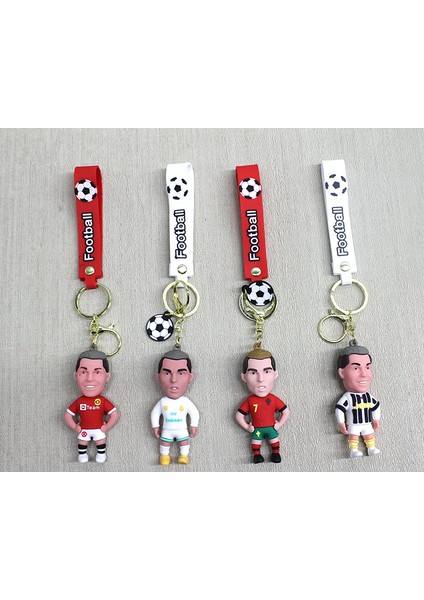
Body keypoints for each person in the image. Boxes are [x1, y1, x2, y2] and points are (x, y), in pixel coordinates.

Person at [236, 348, 289, 463]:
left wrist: (279, 424)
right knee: (256, 441)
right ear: (244, 377)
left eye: (267, 371)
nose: (260, 379)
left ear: (275, 374)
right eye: (253, 373)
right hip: (257, 429)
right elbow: (239, 415)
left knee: (274, 440)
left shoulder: (273, 399)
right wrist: (247, 427)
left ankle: (276, 454)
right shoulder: (250, 401)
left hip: (271, 428)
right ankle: (257, 455)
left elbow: (285, 411)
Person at [64, 350, 119, 463]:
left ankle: (101, 454)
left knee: (101, 441)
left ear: (107, 376)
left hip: (99, 429)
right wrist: (75, 427)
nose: (89, 378)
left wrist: (107, 427)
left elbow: (114, 414)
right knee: (82, 442)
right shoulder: (79, 401)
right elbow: (67, 416)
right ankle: (82, 455)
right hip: (83, 429)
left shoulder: (102, 401)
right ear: (75, 376)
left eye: (97, 372)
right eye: (83, 372)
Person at [151, 349, 199, 466]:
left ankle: (184, 456)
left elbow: (194, 413)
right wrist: (155, 426)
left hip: (182, 430)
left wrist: (193, 425)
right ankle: (164, 456)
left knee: (184, 442)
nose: (173, 380)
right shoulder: (162, 402)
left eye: (181, 373)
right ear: (158, 377)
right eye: (167, 373)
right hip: (166, 430)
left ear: (190, 377)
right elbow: (155, 413)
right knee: (164, 443)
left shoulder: (186, 402)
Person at [335, 344, 381, 458]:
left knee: (369, 434)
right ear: (342, 373)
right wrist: (341, 423)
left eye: (367, 367)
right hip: (354, 424)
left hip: (367, 423)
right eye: (356, 368)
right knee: (354, 436)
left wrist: (376, 419)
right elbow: (340, 409)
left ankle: (371, 448)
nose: (364, 374)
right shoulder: (348, 398)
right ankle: (353, 450)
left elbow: (375, 406)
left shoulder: (368, 396)